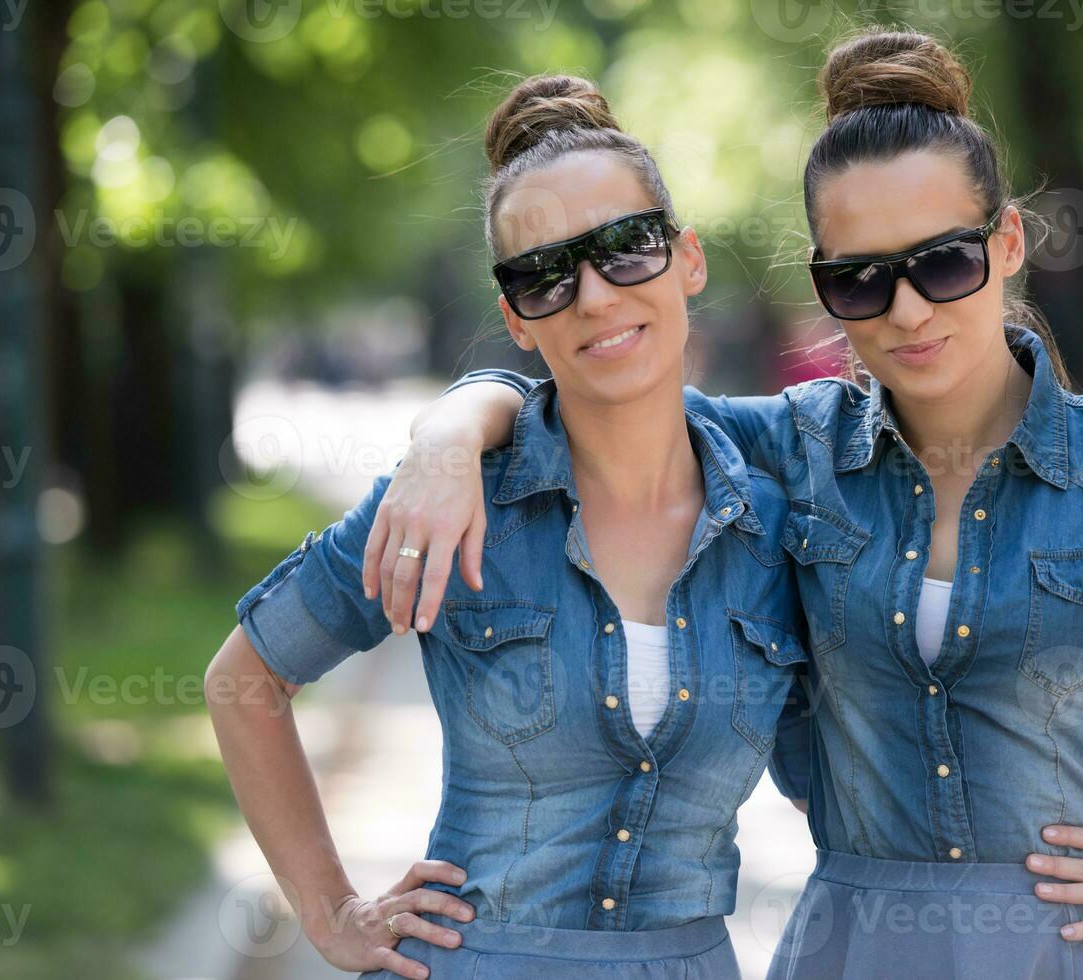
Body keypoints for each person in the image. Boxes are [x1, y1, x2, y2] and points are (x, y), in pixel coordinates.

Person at [366, 29, 1083, 979]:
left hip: (1075, 957)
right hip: (849, 949)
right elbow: (595, 401)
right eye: (858, 279)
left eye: (942, 262)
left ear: (1005, 243)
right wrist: (451, 431)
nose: (906, 310)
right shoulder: (781, 448)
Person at [206, 74, 809, 980]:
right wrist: (331, 914)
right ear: (516, 321)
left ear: (687, 258)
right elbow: (245, 681)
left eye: (625, 248)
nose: (595, 297)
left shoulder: (777, 524)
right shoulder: (445, 500)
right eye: (544, 276)